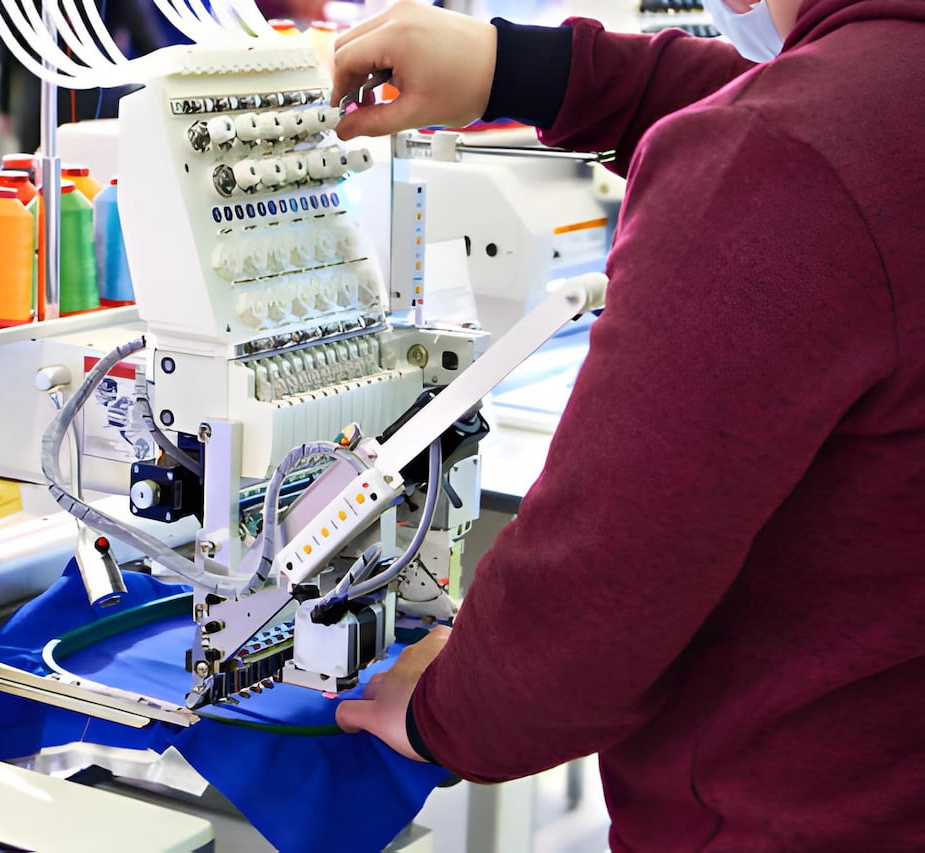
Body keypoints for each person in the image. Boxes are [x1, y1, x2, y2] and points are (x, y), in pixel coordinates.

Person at [329, 1, 925, 849]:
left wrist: (441, 705)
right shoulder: (859, 115)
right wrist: (523, 67)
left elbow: (593, 608)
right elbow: (844, 113)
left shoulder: (780, 157)